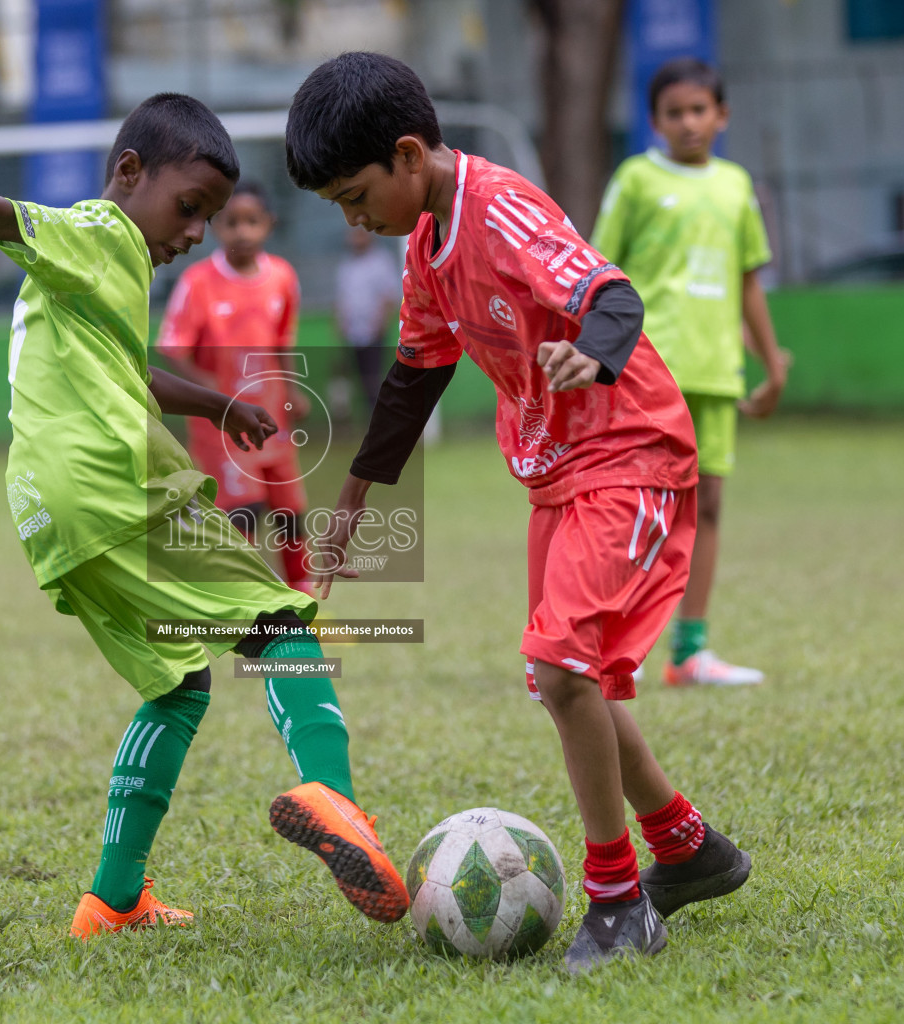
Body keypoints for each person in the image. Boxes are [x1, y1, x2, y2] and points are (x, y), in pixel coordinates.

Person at [0, 94, 408, 939]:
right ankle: (336, 798)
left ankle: (112, 900)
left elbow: (131, 372)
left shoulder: (101, 276)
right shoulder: (100, 230)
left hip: (50, 513)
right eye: (190, 208)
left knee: (178, 686)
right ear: (128, 173)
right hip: (116, 484)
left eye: (211, 218)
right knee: (281, 619)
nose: (194, 233)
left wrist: (218, 403)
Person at [286, 52, 750, 973]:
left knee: (561, 662)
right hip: (558, 473)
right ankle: (689, 848)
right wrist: (347, 508)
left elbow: (611, 294)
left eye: (353, 195)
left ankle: (618, 901)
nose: (353, 219)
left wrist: (597, 353)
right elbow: (414, 378)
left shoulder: (500, 211)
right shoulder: (427, 244)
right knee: (566, 679)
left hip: (631, 454)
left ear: (409, 154)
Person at [591, 58, 788, 687]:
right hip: (649, 369)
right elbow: (596, 268)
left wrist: (772, 360)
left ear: (722, 116)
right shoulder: (637, 179)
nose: (689, 122)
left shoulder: (735, 185)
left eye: (700, 110)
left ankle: (690, 651)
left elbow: (748, 281)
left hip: (717, 373)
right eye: (675, 112)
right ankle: (621, 641)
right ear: (655, 121)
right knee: (639, 506)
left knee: (708, 509)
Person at [157, 181, 314, 592]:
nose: (242, 232)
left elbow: (283, 343)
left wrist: (292, 391)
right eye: (230, 223)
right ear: (215, 227)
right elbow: (172, 348)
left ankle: (305, 601)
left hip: (272, 418)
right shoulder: (197, 282)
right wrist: (211, 393)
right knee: (243, 512)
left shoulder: (282, 277)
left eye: (252, 221)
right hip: (224, 425)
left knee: (290, 512)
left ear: (269, 224)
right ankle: (245, 604)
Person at [334, 226, 402, 416]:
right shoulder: (347, 265)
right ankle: (368, 419)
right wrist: (341, 324)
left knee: (375, 378)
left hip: (373, 333)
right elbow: (342, 299)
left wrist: (379, 325)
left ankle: (383, 417)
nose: (355, 239)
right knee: (358, 380)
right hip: (352, 334)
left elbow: (388, 296)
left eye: (359, 235)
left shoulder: (380, 262)